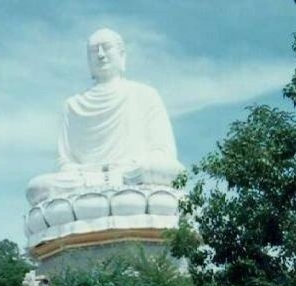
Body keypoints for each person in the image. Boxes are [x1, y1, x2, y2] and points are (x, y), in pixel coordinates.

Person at [26, 28, 183, 205]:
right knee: (38, 188)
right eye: (94, 51)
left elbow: (162, 153)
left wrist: (129, 171)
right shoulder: (72, 105)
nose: (100, 55)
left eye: (106, 48)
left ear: (122, 54)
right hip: (84, 181)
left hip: (133, 176)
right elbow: (65, 162)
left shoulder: (145, 95)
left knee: (159, 171)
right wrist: (88, 176)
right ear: (88, 60)